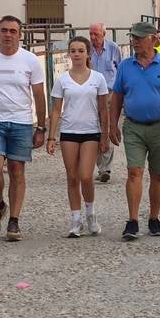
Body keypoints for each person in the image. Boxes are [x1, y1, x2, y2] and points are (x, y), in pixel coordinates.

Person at [0, 16, 47, 242]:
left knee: (16, 170)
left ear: (20, 34)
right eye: (4, 30)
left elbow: (38, 95)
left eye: (13, 31)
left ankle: (14, 220)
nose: (8, 35)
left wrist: (41, 127)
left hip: (21, 122)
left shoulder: (30, 60)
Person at [109, 22, 160, 240]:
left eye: (139, 38)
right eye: (133, 37)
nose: (135, 42)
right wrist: (112, 125)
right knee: (134, 172)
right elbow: (117, 97)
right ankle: (132, 221)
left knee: (158, 175)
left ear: (153, 39)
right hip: (133, 126)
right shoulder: (125, 66)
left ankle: (154, 217)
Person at [47, 37, 109, 238]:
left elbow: (103, 109)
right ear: (69, 54)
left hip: (91, 131)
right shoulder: (62, 79)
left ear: (87, 53)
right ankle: (76, 219)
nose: (77, 54)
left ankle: (90, 213)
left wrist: (105, 135)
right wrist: (51, 137)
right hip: (69, 132)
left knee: (85, 176)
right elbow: (56, 110)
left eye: (81, 50)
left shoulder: (98, 78)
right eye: (73, 51)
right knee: (72, 177)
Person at [89, 22, 121, 183]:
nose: (93, 37)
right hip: (90, 94)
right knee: (93, 129)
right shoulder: (86, 50)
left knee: (107, 128)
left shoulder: (114, 48)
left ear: (104, 34)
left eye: (96, 34)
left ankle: (105, 168)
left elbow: (120, 71)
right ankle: (96, 164)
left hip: (109, 93)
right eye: (91, 34)